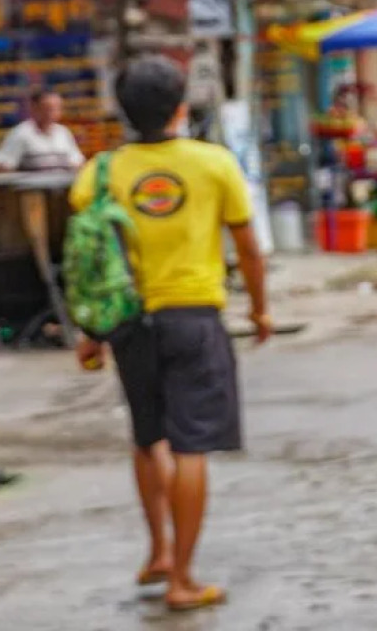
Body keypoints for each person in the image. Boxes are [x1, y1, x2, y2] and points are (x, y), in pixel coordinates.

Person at [70, 56, 271, 613]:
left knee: (147, 436)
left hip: (131, 323)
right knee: (190, 446)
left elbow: (90, 264)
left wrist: (92, 332)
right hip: (195, 319)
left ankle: (158, 549)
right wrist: (260, 311)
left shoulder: (100, 173)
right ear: (182, 109)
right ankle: (182, 578)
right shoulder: (213, 165)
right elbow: (249, 249)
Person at [0, 90, 85, 172]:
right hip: (32, 190)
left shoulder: (63, 132)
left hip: (61, 189)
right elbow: (1, 164)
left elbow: (77, 162)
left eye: (57, 108)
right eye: (48, 108)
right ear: (34, 108)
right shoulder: (21, 133)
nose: (53, 113)